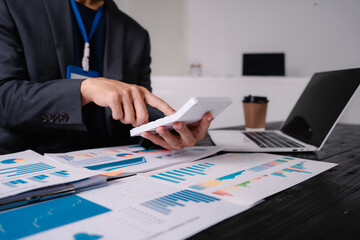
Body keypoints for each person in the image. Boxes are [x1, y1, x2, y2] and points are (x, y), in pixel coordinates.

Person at [0, 0, 213, 154]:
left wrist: (170, 130)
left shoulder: (135, 34)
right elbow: (5, 99)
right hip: (31, 162)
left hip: (110, 166)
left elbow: (139, 114)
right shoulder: (12, 7)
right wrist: (85, 89)